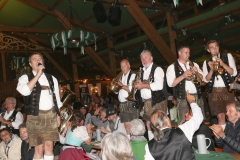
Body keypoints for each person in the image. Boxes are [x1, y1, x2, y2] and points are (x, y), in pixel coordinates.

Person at [16, 52, 63, 160]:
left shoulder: (52, 78)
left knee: (49, 146)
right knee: (39, 148)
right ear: (30, 64)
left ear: (43, 62)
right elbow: (24, 91)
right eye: (34, 59)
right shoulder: (24, 77)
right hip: (35, 116)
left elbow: (57, 100)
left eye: (40, 58)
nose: (38, 60)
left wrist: (58, 116)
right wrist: (37, 74)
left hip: (51, 115)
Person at [144, 91, 203, 160]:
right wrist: (192, 101)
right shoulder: (183, 130)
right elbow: (198, 117)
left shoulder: (149, 146)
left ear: (153, 127)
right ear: (167, 120)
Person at [166, 45, 205, 123]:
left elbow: (203, 79)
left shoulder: (194, 64)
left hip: (197, 96)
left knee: (200, 120)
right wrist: (183, 76)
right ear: (179, 53)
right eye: (186, 52)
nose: (188, 55)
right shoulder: (172, 67)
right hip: (183, 97)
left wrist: (197, 72)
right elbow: (170, 83)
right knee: (184, 122)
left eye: (189, 53)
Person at [202, 40, 237, 128]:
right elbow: (205, 80)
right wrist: (211, 70)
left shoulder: (227, 56)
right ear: (208, 50)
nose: (215, 49)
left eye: (216, 46)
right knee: (220, 116)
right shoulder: (206, 62)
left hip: (227, 90)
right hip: (213, 91)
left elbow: (234, 72)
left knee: (232, 115)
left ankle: (234, 136)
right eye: (212, 47)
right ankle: (223, 137)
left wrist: (223, 64)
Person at [135, 50, 168, 138]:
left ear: (151, 58)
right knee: (148, 123)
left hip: (158, 101)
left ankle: (162, 141)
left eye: (146, 57)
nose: (143, 60)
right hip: (147, 102)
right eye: (142, 58)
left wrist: (143, 85)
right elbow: (141, 87)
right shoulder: (142, 71)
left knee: (158, 123)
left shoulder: (157, 69)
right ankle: (151, 142)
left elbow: (159, 85)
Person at [116, 59, 138, 137]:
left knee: (133, 125)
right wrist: (115, 88)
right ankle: (128, 142)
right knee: (127, 125)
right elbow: (117, 91)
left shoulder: (133, 75)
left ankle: (135, 140)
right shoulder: (120, 76)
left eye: (124, 66)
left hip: (130, 102)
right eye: (121, 66)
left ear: (129, 66)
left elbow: (131, 89)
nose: (122, 68)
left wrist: (121, 85)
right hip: (122, 103)